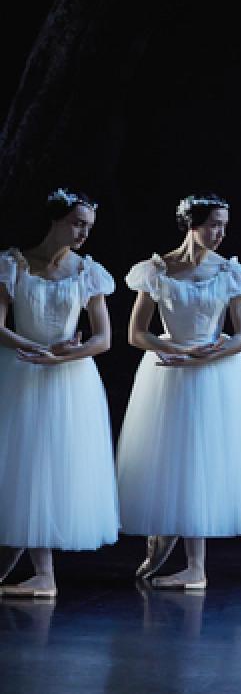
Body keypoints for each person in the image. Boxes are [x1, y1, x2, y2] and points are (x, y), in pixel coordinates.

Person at [116, 193, 241, 590]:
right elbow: (137, 332)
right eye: (213, 224)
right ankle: (164, 542)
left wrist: (205, 355)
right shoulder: (158, 269)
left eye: (224, 225)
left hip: (215, 370)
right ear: (192, 224)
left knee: (203, 459)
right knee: (171, 459)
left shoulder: (230, 273)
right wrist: (175, 349)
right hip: (169, 370)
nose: (219, 233)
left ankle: (196, 566)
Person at [0, 189, 119, 599]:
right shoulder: (13, 264)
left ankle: (44, 573)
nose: (84, 232)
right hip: (21, 370)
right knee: (23, 466)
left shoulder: (88, 271)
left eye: (88, 226)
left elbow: (103, 339)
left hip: (68, 379)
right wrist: (36, 349)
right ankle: (32, 571)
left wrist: (66, 354)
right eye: (77, 223)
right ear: (56, 220)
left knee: (51, 465)